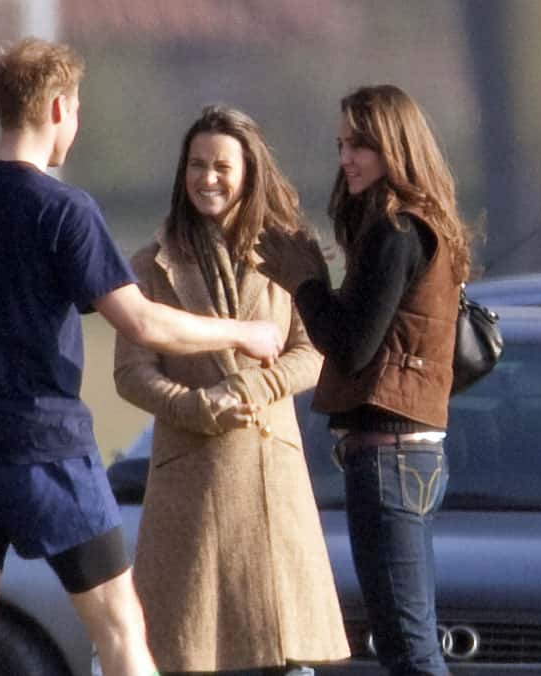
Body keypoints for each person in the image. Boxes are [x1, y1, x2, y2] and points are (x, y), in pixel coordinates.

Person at [0, 39, 283, 676]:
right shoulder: (64, 210)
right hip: (46, 450)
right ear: (59, 108)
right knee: (119, 625)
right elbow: (141, 322)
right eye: (78, 109)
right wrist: (241, 333)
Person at [114, 105, 350, 676]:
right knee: (189, 652)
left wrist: (252, 386)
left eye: (222, 166)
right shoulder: (150, 265)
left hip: (271, 480)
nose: (208, 178)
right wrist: (197, 407)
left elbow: (314, 351)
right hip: (188, 487)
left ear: (250, 172)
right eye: (197, 165)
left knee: (285, 656)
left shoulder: (292, 252)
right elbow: (131, 373)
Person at [256, 85, 472, 676]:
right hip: (407, 457)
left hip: (390, 460)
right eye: (341, 145)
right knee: (408, 641)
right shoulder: (418, 223)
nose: (346, 158)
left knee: (408, 648)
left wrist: (305, 282)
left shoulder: (396, 231)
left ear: (396, 147)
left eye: (361, 146)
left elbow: (351, 347)